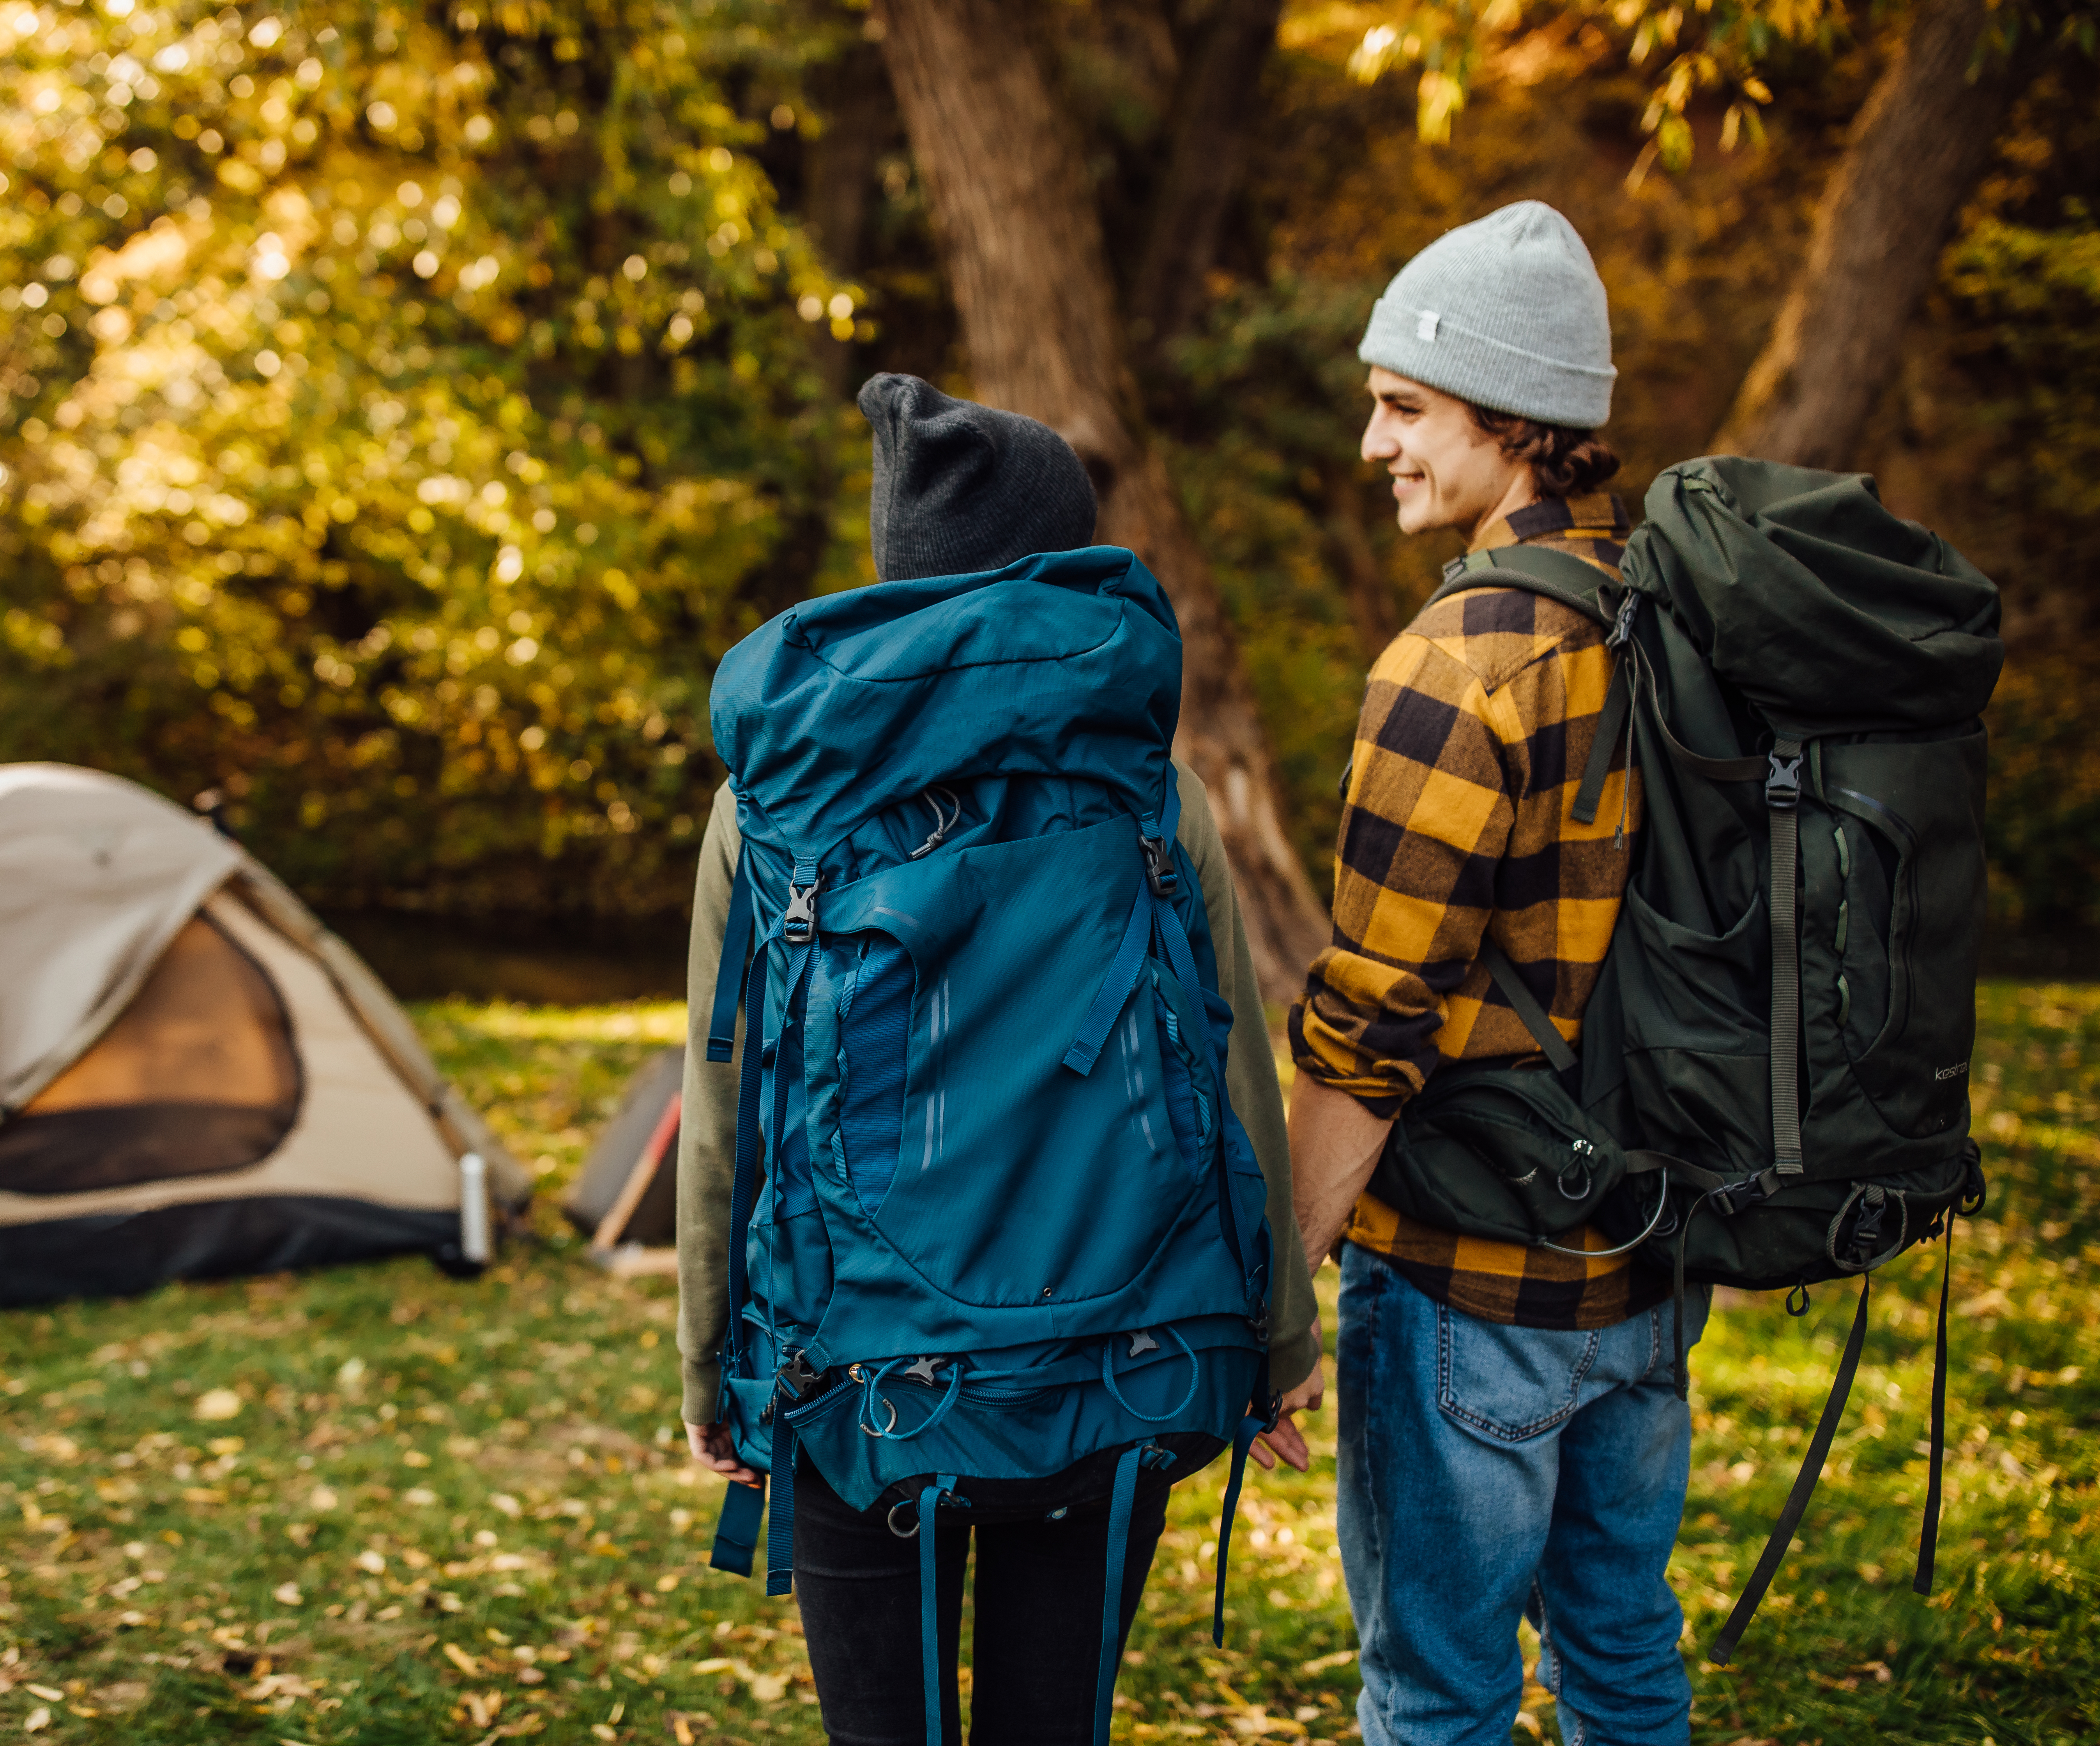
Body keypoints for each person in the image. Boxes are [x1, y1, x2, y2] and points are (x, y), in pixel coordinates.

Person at [672, 374, 1323, 1746]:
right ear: (1060, 560)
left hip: (849, 1370)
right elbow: (1233, 1080)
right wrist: (1273, 1343)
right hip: (1125, 1350)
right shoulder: (1156, 790)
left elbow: (726, 1099)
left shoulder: (771, 803)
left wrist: (706, 1364)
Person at [1282, 200, 1710, 1746]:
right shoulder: (1686, 635)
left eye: (1405, 405)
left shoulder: (1458, 668)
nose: (1373, 442)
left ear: (1517, 422)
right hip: (1652, 1272)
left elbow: (1370, 1020)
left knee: (1439, 1696)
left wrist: (1282, 1289)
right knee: (1623, 1668)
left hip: (1469, 1284)